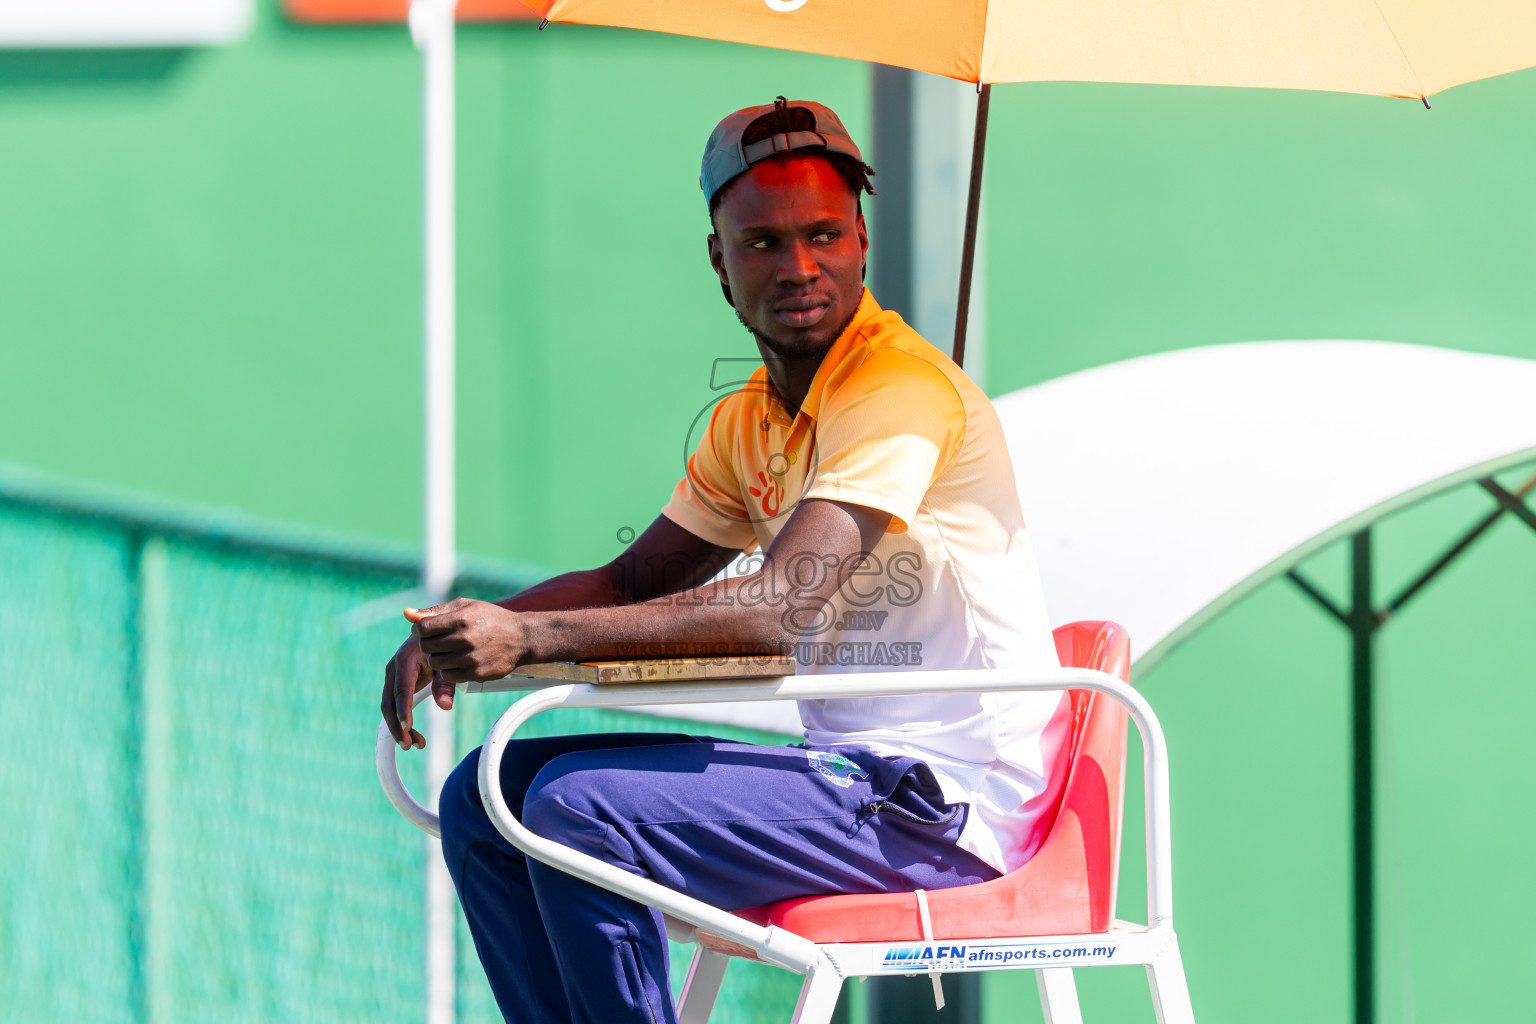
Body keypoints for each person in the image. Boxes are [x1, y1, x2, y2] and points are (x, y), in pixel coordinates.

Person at [379, 97, 1065, 1024]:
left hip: (946, 813)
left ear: (863, 241)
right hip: (855, 777)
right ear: (719, 262)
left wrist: (527, 639)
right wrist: (467, 633)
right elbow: (634, 583)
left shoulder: (900, 390)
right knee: (484, 795)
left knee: (584, 811)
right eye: (764, 244)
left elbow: (778, 617)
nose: (801, 267)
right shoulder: (755, 414)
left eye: (825, 235)